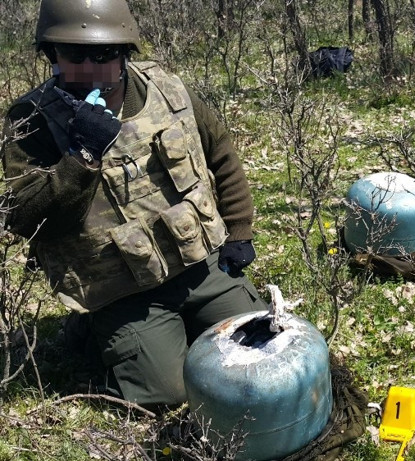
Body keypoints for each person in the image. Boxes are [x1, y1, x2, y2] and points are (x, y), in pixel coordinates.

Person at [1, 0, 268, 407]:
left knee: (260, 349)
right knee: (166, 395)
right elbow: (26, 217)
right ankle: (91, 330)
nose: (90, 66)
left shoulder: (168, 90)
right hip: (118, 286)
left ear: (125, 51)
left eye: (105, 53)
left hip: (199, 263)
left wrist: (239, 230)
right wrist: (81, 158)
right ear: (51, 54)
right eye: (75, 53)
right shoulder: (32, 120)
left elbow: (221, 156)